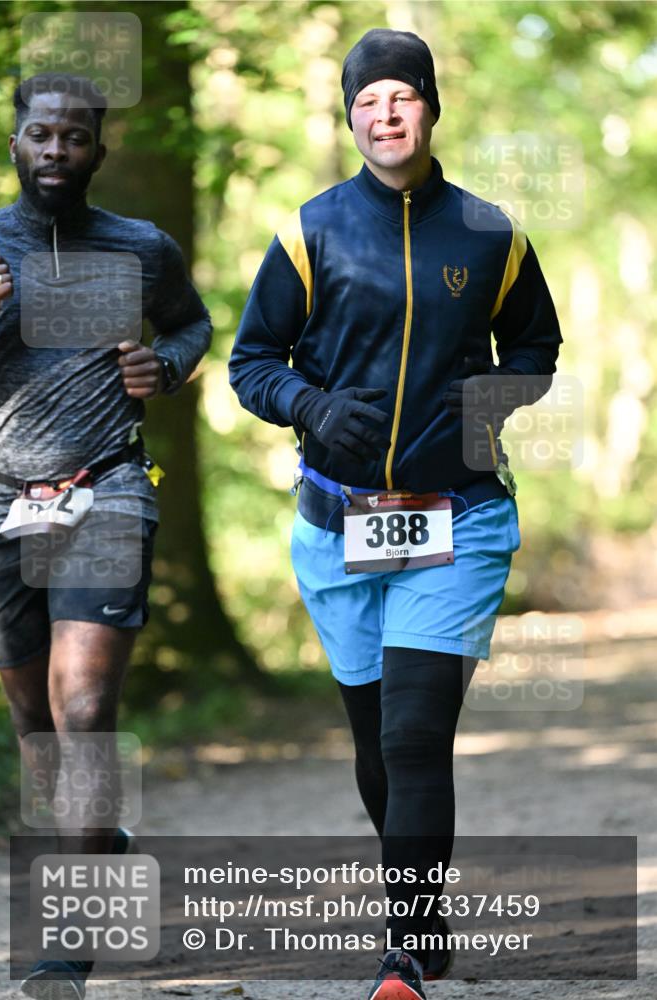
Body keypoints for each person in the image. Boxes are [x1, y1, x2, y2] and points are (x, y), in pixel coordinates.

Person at [230, 27, 561, 1000]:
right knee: (378, 742)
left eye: (401, 96)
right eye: (367, 99)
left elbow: (536, 347)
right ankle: (424, 910)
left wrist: (486, 404)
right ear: (350, 114)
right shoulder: (311, 230)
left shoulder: (491, 234)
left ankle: (402, 953)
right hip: (337, 524)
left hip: (458, 516)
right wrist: (314, 407)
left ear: (429, 106)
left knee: (416, 735)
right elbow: (254, 360)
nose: (386, 113)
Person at [0, 73, 212, 999]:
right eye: (40, 135)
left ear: (97, 150)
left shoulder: (140, 246)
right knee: (37, 722)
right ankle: (99, 836)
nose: (55, 152)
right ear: (15, 144)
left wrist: (164, 364)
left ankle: (66, 941)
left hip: (106, 489)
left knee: (84, 712)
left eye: (73, 139)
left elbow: (195, 324)